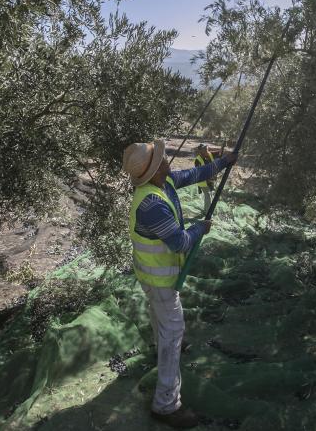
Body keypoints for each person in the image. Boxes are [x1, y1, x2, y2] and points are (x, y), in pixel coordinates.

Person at [121, 139, 237, 429]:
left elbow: (193, 174)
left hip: (152, 276)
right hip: (159, 280)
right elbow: (180, 242)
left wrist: (226, 161)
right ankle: (165, 405)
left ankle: (161, 341)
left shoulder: (163, 182)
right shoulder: (150, 205)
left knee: (161, 317)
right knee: (174, 333)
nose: (166, 159)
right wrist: (202, 227)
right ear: (152, 171)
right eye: (161, 159)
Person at [193, 143, 223, 214]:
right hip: (203, 181)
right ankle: (207, 212)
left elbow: (220, 153)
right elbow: (199, 173)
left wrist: (222, 147)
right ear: (201, 151)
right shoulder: (198, 160)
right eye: (205, 150)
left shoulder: (210, 154)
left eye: (207, 149)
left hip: (210, 180)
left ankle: (208, 209)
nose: (207, 150)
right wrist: (209, 178)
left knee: (210, 194)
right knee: (208, 195)